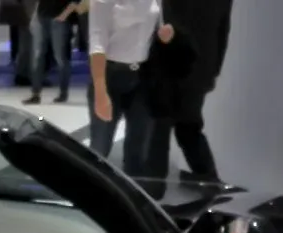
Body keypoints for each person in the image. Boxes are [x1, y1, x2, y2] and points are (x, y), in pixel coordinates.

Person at [143, 0, 231, 182]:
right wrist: (213, 71)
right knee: (188, 129)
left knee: (160, 129)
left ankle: (154, 191)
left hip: (168, 65)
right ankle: (211, 183)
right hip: (199, 69)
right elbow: (223, 32)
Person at [87, 0, 170, 179]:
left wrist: (163, 35)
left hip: (144, 76)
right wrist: (100, 92)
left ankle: (131, 195)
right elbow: (97, 43)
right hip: (110, 75)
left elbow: (157, 27)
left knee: (138, 151)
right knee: (100, 148)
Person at [23, 0, 78, 104]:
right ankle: (35, 94)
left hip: (60, 18)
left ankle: (63, 93)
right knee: (38, 56)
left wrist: (64, 15)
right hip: (41, 17)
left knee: (60, 57)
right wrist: (35, 16)